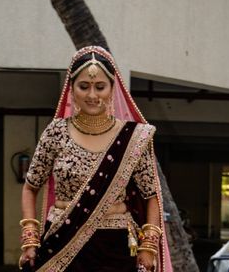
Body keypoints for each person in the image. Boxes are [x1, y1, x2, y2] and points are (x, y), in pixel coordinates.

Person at [18, 45, 173, 272]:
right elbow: (30, 187)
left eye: (100, 87)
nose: (92, 95)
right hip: (63, 238)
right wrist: (30, 239)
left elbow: (150, 195)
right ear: (71, 89)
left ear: (112, 89)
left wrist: (148, 246)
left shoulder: (133, 137)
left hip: (115, 245)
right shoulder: (56, 132)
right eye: (84, 86)